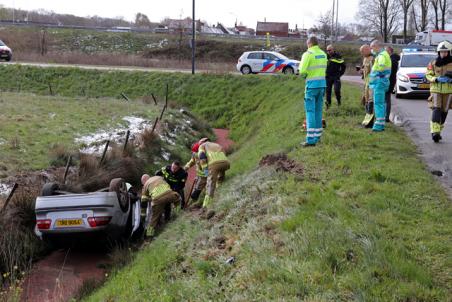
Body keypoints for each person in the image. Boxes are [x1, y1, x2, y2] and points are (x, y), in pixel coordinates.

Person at [298, 36, 328, 146]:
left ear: (309, 44)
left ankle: (310, 139)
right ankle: (318, 136)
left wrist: (305, 75)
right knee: (318, 111)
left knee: (310, 111)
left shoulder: (308, 54)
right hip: (322, 85)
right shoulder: (323, 54)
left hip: (311, 87)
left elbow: (302, 71)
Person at [425, 41, 452, 143]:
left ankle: (438, 131)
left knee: (444, 111)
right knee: (436, 108)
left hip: (449, 90)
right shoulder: (433, 63)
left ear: (449, 52)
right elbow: (428, 74)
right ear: (438, 52)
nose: (443, 54)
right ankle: (435, 132)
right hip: (436, 89)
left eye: (445, 52)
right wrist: (436, 79)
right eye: (441, 52)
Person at [198, 140, 230, 208]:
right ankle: (219, 191)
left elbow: (202, 157)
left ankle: (206, 205)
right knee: (220, 177)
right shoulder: (216, 144)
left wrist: (206, 172)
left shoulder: (202, 146)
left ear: (201, 143)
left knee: (210, 184)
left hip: (214, 164)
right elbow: (224, 152)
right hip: (226, 162)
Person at [369, 40, 392, 132]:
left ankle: (378, 125)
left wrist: (377, 73)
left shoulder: (382, 56)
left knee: (378, 103)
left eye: (372, 47)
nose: (371, 50)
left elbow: (381, 66)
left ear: (377, 46)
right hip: (382, 82)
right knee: (381, 103)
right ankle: (381, 124)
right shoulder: (384, 54)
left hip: (379, 82)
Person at [184, 138, 209, 203]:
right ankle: (194, 201)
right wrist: (187, 166)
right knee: (197, 188)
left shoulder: (204, 152)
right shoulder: (194, 154)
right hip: (200, 174)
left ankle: (198, 201)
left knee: (200, 188)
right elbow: (192, 161)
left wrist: (207, 173)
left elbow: (205, 163)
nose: (193, 152)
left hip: (206, 173)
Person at [359, 44, 375, 128]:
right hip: (366, 84)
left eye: (362, 51)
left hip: (372, 84)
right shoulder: (365, 59)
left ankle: (370, 123)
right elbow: (366, 71)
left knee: (370, 101)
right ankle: (366, 120)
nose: (361, 53)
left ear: (367, 50)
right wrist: (362, 71)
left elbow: (374, 72)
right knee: (366, 101)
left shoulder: (373, 59)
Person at [385, 46, 400, 122]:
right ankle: (386, 116)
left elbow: (390, 72)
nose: (385, 52)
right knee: (387, 99)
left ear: (390, 51)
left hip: (389, 81)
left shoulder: (392, 60)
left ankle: (386, 117)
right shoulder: (393, 59)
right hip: (390, 81)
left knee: (387, 99)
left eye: (386, 50)